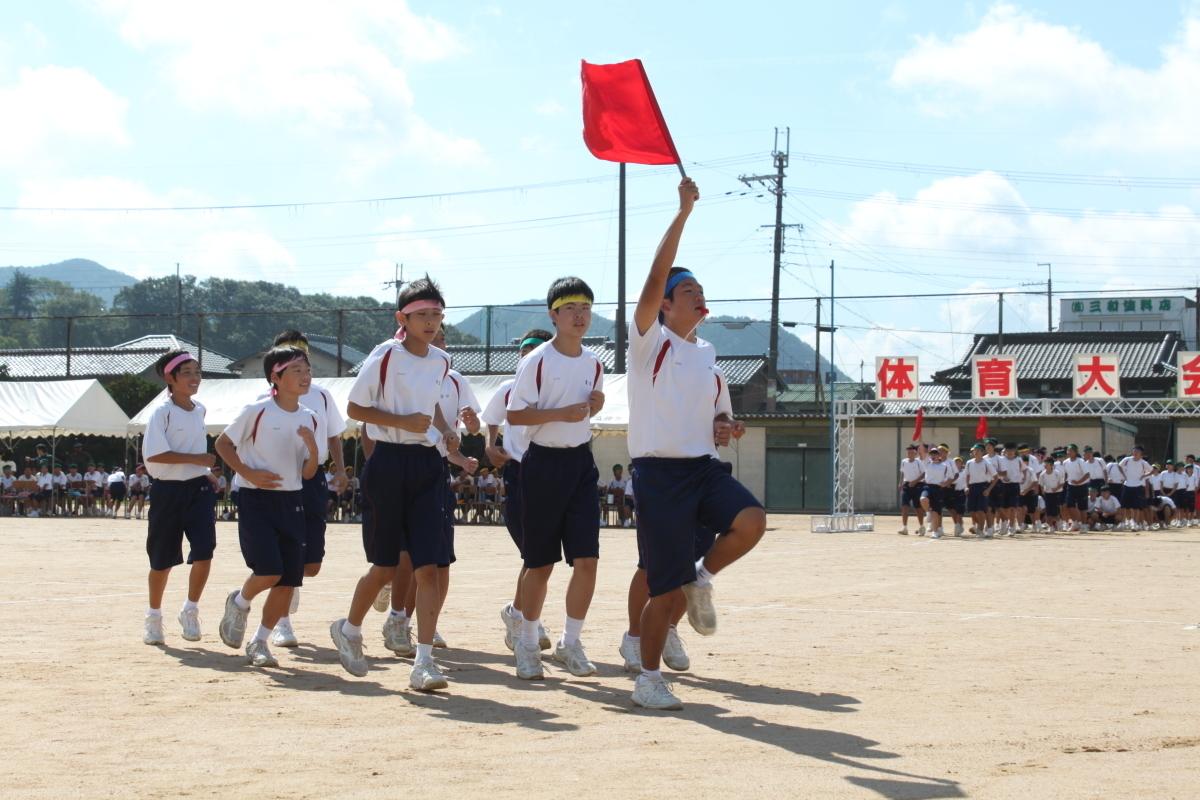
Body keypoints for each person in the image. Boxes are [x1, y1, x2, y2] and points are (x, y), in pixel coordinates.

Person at [621, 177, 767, 710]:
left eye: (701, 290)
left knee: (751, 521)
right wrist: (683, 213)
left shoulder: (709, 356)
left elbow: (720, 416)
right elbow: (653, 277)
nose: (699, 296)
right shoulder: (648, 344)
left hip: (703, 470)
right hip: (659, 476)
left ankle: (703, 579)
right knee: (662, 586)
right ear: (665, 305)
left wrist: (728, 426)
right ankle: (647, 678)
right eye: (688, 291)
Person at [331, 276, 461, 691]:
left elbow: (432, 405)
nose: (431, 322)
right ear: (402, 318)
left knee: (428, 566)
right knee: (386, 566)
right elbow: (355, 407)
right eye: (422, 314)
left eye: (437, 314)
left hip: (427, 465)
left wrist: (447, 429)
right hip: (387, 462)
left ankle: (424, 662)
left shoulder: (441, 361)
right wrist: (401, 422)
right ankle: (349, 629)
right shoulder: (385, 355)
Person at [506, 276, 606, 682]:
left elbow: (588, 408)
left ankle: (571, 642)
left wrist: (596, 404)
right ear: (554, 315)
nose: (579, 316)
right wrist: (560, 413)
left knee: (587, 560)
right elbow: (515, 414)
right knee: (540, 563)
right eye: (570, 309)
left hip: (581, 462)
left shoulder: (595, 362)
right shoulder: (537, 360)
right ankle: (528, 642)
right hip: (543, 463)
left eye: (585, 308)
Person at [214, 345, 320, 668]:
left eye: (307, 370)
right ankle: (240, 601)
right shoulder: (257, 411)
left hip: (292, 501)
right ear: (276, 376)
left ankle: (259, 641)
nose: (305, 376)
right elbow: (222, 444)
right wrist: (248, 473)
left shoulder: (310, 418)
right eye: (297, 370)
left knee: (288, 580)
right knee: (269, 571)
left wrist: (313, 448)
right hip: (255, 499)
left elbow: (308, 472)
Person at [381, 324, 480, 658]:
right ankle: (397, 616)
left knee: (439, 560)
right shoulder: (395, 371)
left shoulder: (455, 379)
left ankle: (423, 620)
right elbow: (369, 425)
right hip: (399, 467)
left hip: (435, 472)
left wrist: (467, 435)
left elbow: (464, 430)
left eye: (441, 337)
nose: (438, 343)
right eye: (431, 336)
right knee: (405, 556)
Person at [253, 331, 349, 650]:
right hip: (281, 480)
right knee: (286, 554)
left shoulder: (321, 395)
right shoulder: (264, 400)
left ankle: (290, 588)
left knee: (312, 564)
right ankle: (282, 621)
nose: (299, 364)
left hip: (312, 477)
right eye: (289, 355)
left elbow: (334, 434)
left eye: (303, 357)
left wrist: (339, 469)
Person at [140, 349, 218, 646]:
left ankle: (190, 610)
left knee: (204, 552)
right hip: (167, 491)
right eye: (187, 373)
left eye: (197, 372)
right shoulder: (162, 412)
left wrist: (205, 471)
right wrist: (198, 460)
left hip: (198, 490)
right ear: (169, 378)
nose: (194, 378)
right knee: (162, 560)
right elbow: (155, 455)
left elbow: (194, 450)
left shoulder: (200, 410)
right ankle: (153, 616)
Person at [482, 328, 553, 654]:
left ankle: (519, 614)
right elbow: (491, 419)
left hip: (550, 471)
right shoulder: (508, 387)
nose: (527, 356)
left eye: (534, 351)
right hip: (518, 471)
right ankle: (524, 619)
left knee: (540, 555)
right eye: (524, 351)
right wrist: (490, 445)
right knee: (534, 553)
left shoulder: (555, 391)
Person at [919, 447, 954, 539]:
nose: (933, 455)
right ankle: (928, 512)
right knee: (923, 499)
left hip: (938, 489)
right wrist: (920, 440)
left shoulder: (945, 465)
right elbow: (922, 451)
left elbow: (951, 477)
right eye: (932, 454)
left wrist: (945, 484)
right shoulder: (927, 463)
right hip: (928, 487)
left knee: (936, 511)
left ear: (939, 455)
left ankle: (935, 532)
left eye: (935, 454)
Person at [963, 443, 997, 537]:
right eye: (975, 450)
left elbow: (996, 477)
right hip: (972, 487)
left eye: (978, 450)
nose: (976, 452)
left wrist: (988, 490)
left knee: (980, 510)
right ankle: (981, 526)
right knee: (972, 511)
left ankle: (981, 530)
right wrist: (966, 486)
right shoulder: (969, 463)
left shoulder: (987, 463)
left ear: (982, 452)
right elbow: (967, 476)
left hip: (983, 487)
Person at [1119, 446, 1152, 531]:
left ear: (1141, 454)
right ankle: (1123, 523)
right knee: (1124, 506)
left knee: (1136, 507)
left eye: (1137, 452)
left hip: (1138, 486)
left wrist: (1144, 475)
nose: (1135, 453)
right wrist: (1124, 475)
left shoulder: (1143, 462)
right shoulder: (1127, 460)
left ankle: (1135, 524)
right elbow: (1119, 466)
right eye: (1134, 451)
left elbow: (1152, 470)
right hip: (1127, 485)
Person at [897, 444, 925, 535]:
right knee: (904, 506)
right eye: (908, 452)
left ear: (915, 453)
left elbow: (924, 474)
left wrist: (915, 481)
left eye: (911, 452)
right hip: (907, 485)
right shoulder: (904, 461)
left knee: (918, 507)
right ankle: (904, 527)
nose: (909, 454)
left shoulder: (919, 462)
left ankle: (921, 526)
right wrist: (900, 483)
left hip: (918, 486)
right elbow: (902, 473)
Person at [1038, 457, 1064, 531]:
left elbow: (1062, 483)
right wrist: (1043, 491)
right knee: (1048, 512)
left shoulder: (1057, 473)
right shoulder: (1042, 474)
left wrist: (1056, 488)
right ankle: (1051, 527)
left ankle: (1059, 522)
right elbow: (1041, 484)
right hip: (1047, 494)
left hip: (1057, 494)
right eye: (1044, 463)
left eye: (1046, 463)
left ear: (1051, 465)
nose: (1045, 465)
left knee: (1055, 512)